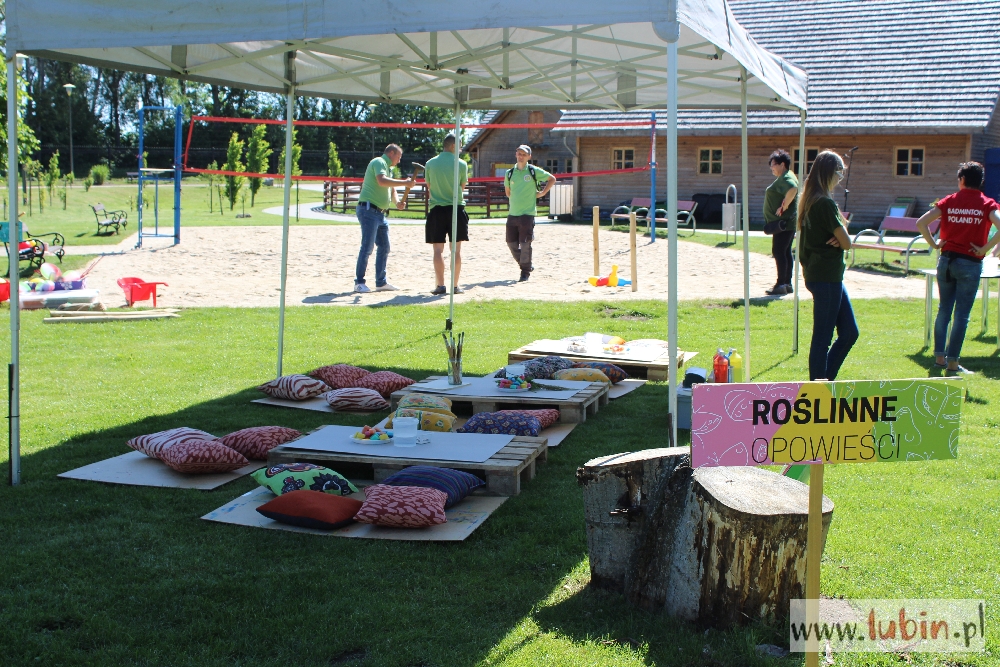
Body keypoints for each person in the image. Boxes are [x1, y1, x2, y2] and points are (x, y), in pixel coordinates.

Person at [915, 161, 1000, 376]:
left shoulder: (950, 201)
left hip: (946, 261)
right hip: (970, 263)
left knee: (944, 310)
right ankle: (953, 364)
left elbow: (921, 223)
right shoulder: (987, 204)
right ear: (981, 181)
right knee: (961, 315)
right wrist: (986, 249)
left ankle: (939, 359)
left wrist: (934, 244)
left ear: (961, 180)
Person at [798, 151, 858, 381]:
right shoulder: (823, 203)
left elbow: (841, 238)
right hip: (825, 276)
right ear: (828, 173)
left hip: (826, 276)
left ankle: (825, 381)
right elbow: (847, 242)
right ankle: (818, 389)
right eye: (838, 173)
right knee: (822, 338)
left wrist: (840, 238)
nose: (840, 178)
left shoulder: (811, 200)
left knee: (850, 332)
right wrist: (841, 239)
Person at [354, 143, 414, 293]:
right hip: (368, 210)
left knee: (385, 246)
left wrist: (397, 202)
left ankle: (381, 282)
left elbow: (391, 190)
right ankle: (359, 282)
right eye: (398, 157)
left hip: (380, 213)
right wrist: (405, 182)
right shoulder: (379, 162)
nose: (399, 160)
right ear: (391, 153)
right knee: (367, 247)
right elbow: (382, 181)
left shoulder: (388, 169)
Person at [423, 133, 469, 295]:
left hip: (437, 209)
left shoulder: (430, 163)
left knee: (437, 250)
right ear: (453, 146)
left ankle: (440, 285)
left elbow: (429, 186)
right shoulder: (461, 164)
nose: (461, 149)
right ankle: (455, 286)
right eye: (460, 146)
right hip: (456, 208)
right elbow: (462, 187)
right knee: (456, 250)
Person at [504, 145, 556, 281]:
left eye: (524, 154)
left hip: (527, 214)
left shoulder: (533, 171)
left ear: (529, 157)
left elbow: (552, 179)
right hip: (513, 213)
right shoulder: (509, 173)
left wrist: (543, 192)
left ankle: (525, 272)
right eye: (519, 153)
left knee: (525, 243)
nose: (521, 156)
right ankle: (526, 265)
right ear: (516, 154)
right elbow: (508, 192)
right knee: (510, 243)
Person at [762, 149, 799, 295]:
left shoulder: (786, 177)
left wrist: (784, 206)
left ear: (782, 164)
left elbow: (793, 188)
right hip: (786, 223)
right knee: (785, 251)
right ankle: (787, 284)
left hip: (783, 223)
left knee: (778, 251)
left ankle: (781, 284)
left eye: (773, 164)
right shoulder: (787, 175)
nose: (771, 167)